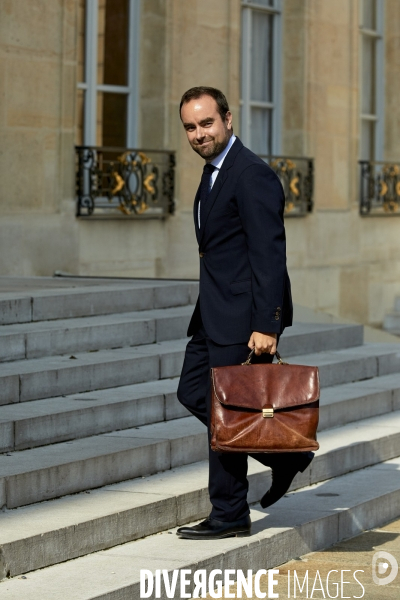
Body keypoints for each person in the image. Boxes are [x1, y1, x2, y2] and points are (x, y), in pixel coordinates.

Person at [176, 87, 313, 540]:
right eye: (191, 127)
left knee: (223, 408)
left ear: (228, 120)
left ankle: (229, 512)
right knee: (195, 393)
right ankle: (286, 457)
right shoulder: (214, 171)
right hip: (215, 312)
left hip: (244, 317)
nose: (199, 134)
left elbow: (269, 254)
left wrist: (266, 324)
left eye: (206, 123)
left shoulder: (250, 173)